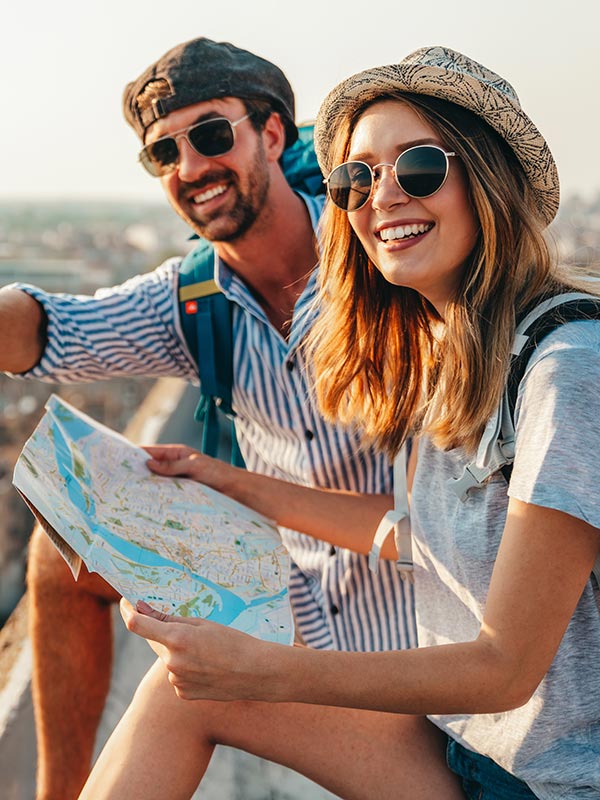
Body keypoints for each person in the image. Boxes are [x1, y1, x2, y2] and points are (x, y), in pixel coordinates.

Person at [78, 46, 600, 800]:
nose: (381, 197)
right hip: (469, 752)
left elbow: (505, 668)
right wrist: (232, 483)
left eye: (417, 166)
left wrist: (263, 668)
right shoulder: (448, 349)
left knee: (210, 687)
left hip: (553, 783)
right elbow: (417, 538)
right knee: (178, 691)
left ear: (489, 177)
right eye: (357, 178)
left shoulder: (566, 367)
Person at [1, 37, 417, 800]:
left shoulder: (380, 256)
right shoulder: (194, 298)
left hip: (413, 625)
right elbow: (52, 333)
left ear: (273, 133)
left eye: (212, 135)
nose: (191, 166)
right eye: (164, 152)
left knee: (179, 700)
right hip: (291, 591)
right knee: (61, 544)